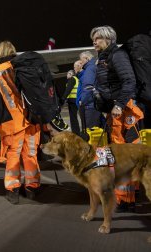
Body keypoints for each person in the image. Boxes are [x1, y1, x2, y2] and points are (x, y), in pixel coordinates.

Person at [91, 25, 144, 212]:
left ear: (108, 38)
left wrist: (119, 105)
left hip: (124, 113)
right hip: (115, 112)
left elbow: (129, 81)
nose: (94, 42)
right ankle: (127, 195)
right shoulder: (104, 57)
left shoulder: (117, 55)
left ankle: (127, 199)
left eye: (97, 38)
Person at [0, 40, 41, 204]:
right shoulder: (25, 66)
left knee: (13, 156)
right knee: (30, 155)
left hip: (10, 123)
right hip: (31, 120)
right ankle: (32, 187)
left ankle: (13, 189)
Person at [78, 51, 103, 129]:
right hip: (94, 104)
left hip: (90, 105)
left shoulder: (90, 69)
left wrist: (83, 101)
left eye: (81, 59)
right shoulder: (93, 66)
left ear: (86, 58)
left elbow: (88, 87)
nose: (80, 62)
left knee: (91, 130)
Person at [60, 70, 80, 136]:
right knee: (75, 117)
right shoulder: (77, 79)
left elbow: (68, 90)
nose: (67, 75)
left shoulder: (72, 79)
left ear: (71, 74)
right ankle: (76, 131)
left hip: (72, 101)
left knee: (73, 118)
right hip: (76, 100)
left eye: (68, 73)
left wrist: (63, 99)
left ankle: (75, 132)